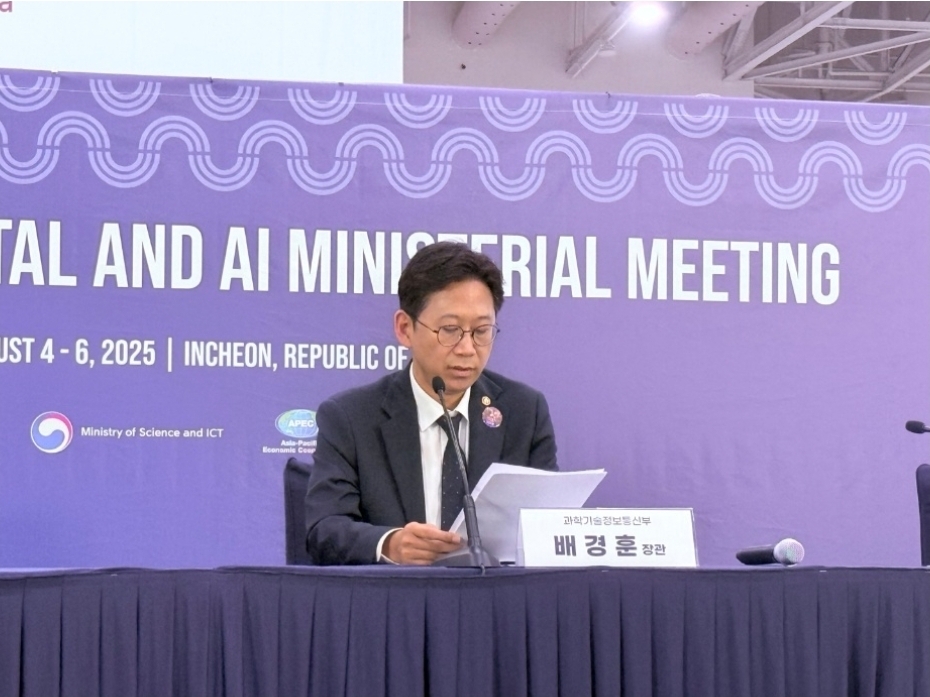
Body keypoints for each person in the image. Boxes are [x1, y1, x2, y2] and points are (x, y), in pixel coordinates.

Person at [304, 241, 558, 565]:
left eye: (482, 331)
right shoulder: (351, 418)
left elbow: (547, 526)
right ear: (404, 328)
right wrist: (389, 544)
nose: (467, 349)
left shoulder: (524, 412)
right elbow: (324, 529)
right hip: (396, 594)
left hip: (493, 594)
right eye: (450, 330)